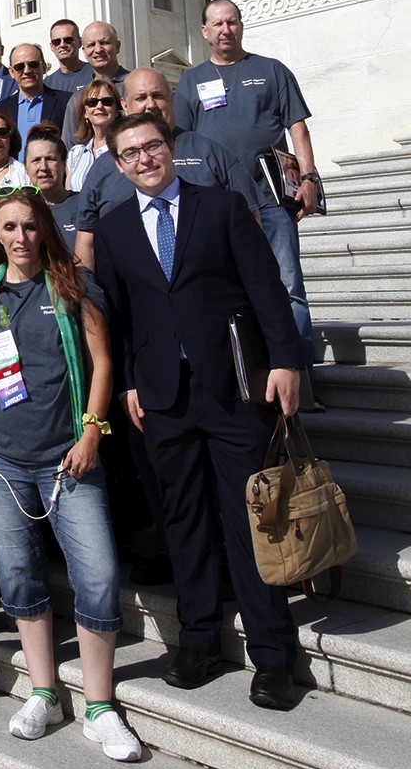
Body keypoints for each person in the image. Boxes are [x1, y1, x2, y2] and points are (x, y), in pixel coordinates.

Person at [93, 115, 305, 711]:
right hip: (162, 398)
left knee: (249, 520)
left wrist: (286, 361)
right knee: (182, 520)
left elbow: (267, 288)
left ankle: (272, 654)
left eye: (152, 147)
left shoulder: (222, 207)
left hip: (235, 387)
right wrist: (131, 383)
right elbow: (123, 318)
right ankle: (200, 638)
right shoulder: (112, 231)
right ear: (116, 164)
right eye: (130, 153)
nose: (143, 159)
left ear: (171, 149)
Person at [0, 192, 141, 761]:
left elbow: (102, 359)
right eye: (8, 227)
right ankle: (44, 691)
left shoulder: (72, 285)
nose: (19, 237)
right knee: (19, 577)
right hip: (1, 459)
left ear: (44, 230)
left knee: (99, 575)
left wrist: (92, 431)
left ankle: (101, 707)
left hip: (68, 457)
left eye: (29, 226)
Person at [173, 0, 321, 370]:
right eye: (217, 24)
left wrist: (309, 177)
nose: (226, 30)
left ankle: (300, 381)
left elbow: (297, 127)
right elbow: (182, 140)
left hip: (271, 199)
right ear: (204, 32)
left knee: (288, 289)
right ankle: (248, 377)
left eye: (232, 22)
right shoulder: (191, 80)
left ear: (241, 25)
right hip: (218, 206)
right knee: (227, 292)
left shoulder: (272, 70)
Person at [73, 68, 261, 274]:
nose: (150, 105)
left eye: (158, 96)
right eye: (141, 98)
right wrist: (89, 299)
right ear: (125, 105)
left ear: (172, 99)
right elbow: (86, 240)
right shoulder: (103, 166)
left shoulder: (211, 152)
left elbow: (251, 224)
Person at [61, 24, 129, 144]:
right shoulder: (77, 99)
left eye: (104, 43)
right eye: (91, 45)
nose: (98, 49)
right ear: (84, 51)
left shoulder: (135, 86)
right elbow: (69, 147)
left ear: (117, 46)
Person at [66, 79, 123, 193]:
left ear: (117, 110)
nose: (99, 106)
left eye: (107, 101)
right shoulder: (75, 154)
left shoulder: (124, 150)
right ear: (85, 112)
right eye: (92, 102)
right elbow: (68, 198)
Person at [8, 44, 71, 147]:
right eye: (19, 67)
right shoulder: (0, 111)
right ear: (11, 72)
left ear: (44, 67)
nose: (27, 71)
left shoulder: (67, 102)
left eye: (33, 64)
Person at [44, 18, 87, 95]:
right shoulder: (47, 84)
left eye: (68, 40)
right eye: (56, 42)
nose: (62, 45)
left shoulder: (96, 73)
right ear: (52, 46)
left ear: (80, 42)